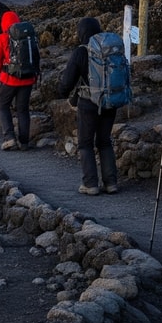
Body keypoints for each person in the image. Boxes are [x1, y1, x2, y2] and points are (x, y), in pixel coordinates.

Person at [59, 17, 119, 195]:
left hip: (89, 103)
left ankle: (90, 184)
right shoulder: (110, 49)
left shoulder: (81, 51)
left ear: (81, 33)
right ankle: (111, 183)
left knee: (85, 143)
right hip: (110, 100)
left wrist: (62, 93)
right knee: (104, 141)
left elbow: (68, 81)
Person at [0, 10, 37, 151]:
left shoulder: (2, 38)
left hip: (9, 80)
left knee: (3, 106)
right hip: (28, 79)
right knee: (23, 110)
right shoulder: (29, 37)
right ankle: (24, 142)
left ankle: (9, 138)